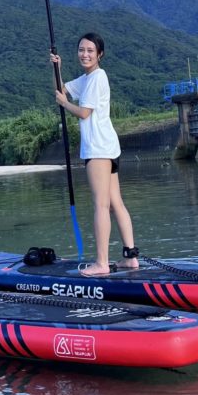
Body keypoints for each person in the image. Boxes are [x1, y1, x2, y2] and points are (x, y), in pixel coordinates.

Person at [50, 32, 139, 276]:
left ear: (100, 54)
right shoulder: (87, 78)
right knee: (115, 203)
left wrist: (64, 104)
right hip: (108, 146)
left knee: (101, 205)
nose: (85, 54)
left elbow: (83, 112)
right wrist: (56, 68)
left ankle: (101, 263)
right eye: (81, 50)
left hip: (98, 148)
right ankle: (130, 258)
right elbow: (61, 89)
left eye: (90, 50)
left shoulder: (98, 77)